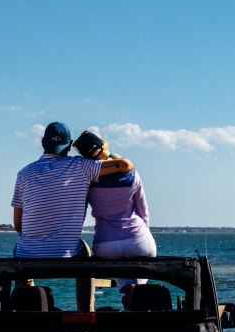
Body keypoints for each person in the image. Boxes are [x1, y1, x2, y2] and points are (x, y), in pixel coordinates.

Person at [11, 122, 134, 309]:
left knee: (21, 248)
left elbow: (18, 225)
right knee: (84, 252)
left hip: (28, 254)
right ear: (69, 146)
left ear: (43, 143)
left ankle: (28, 308)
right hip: (68, 254)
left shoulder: (23, 173)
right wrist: (103, 154)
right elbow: (125, 165)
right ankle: (85, 312)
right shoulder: (82, 166)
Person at [73, 129, 156, 307]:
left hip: (105, 246)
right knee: (136, 265)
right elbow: (143, 211)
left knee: (121, 263)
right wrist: (142, 236)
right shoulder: (132, 174)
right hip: (137, 239)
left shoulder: (87, 178)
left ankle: (128, 290)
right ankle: (134, 295)